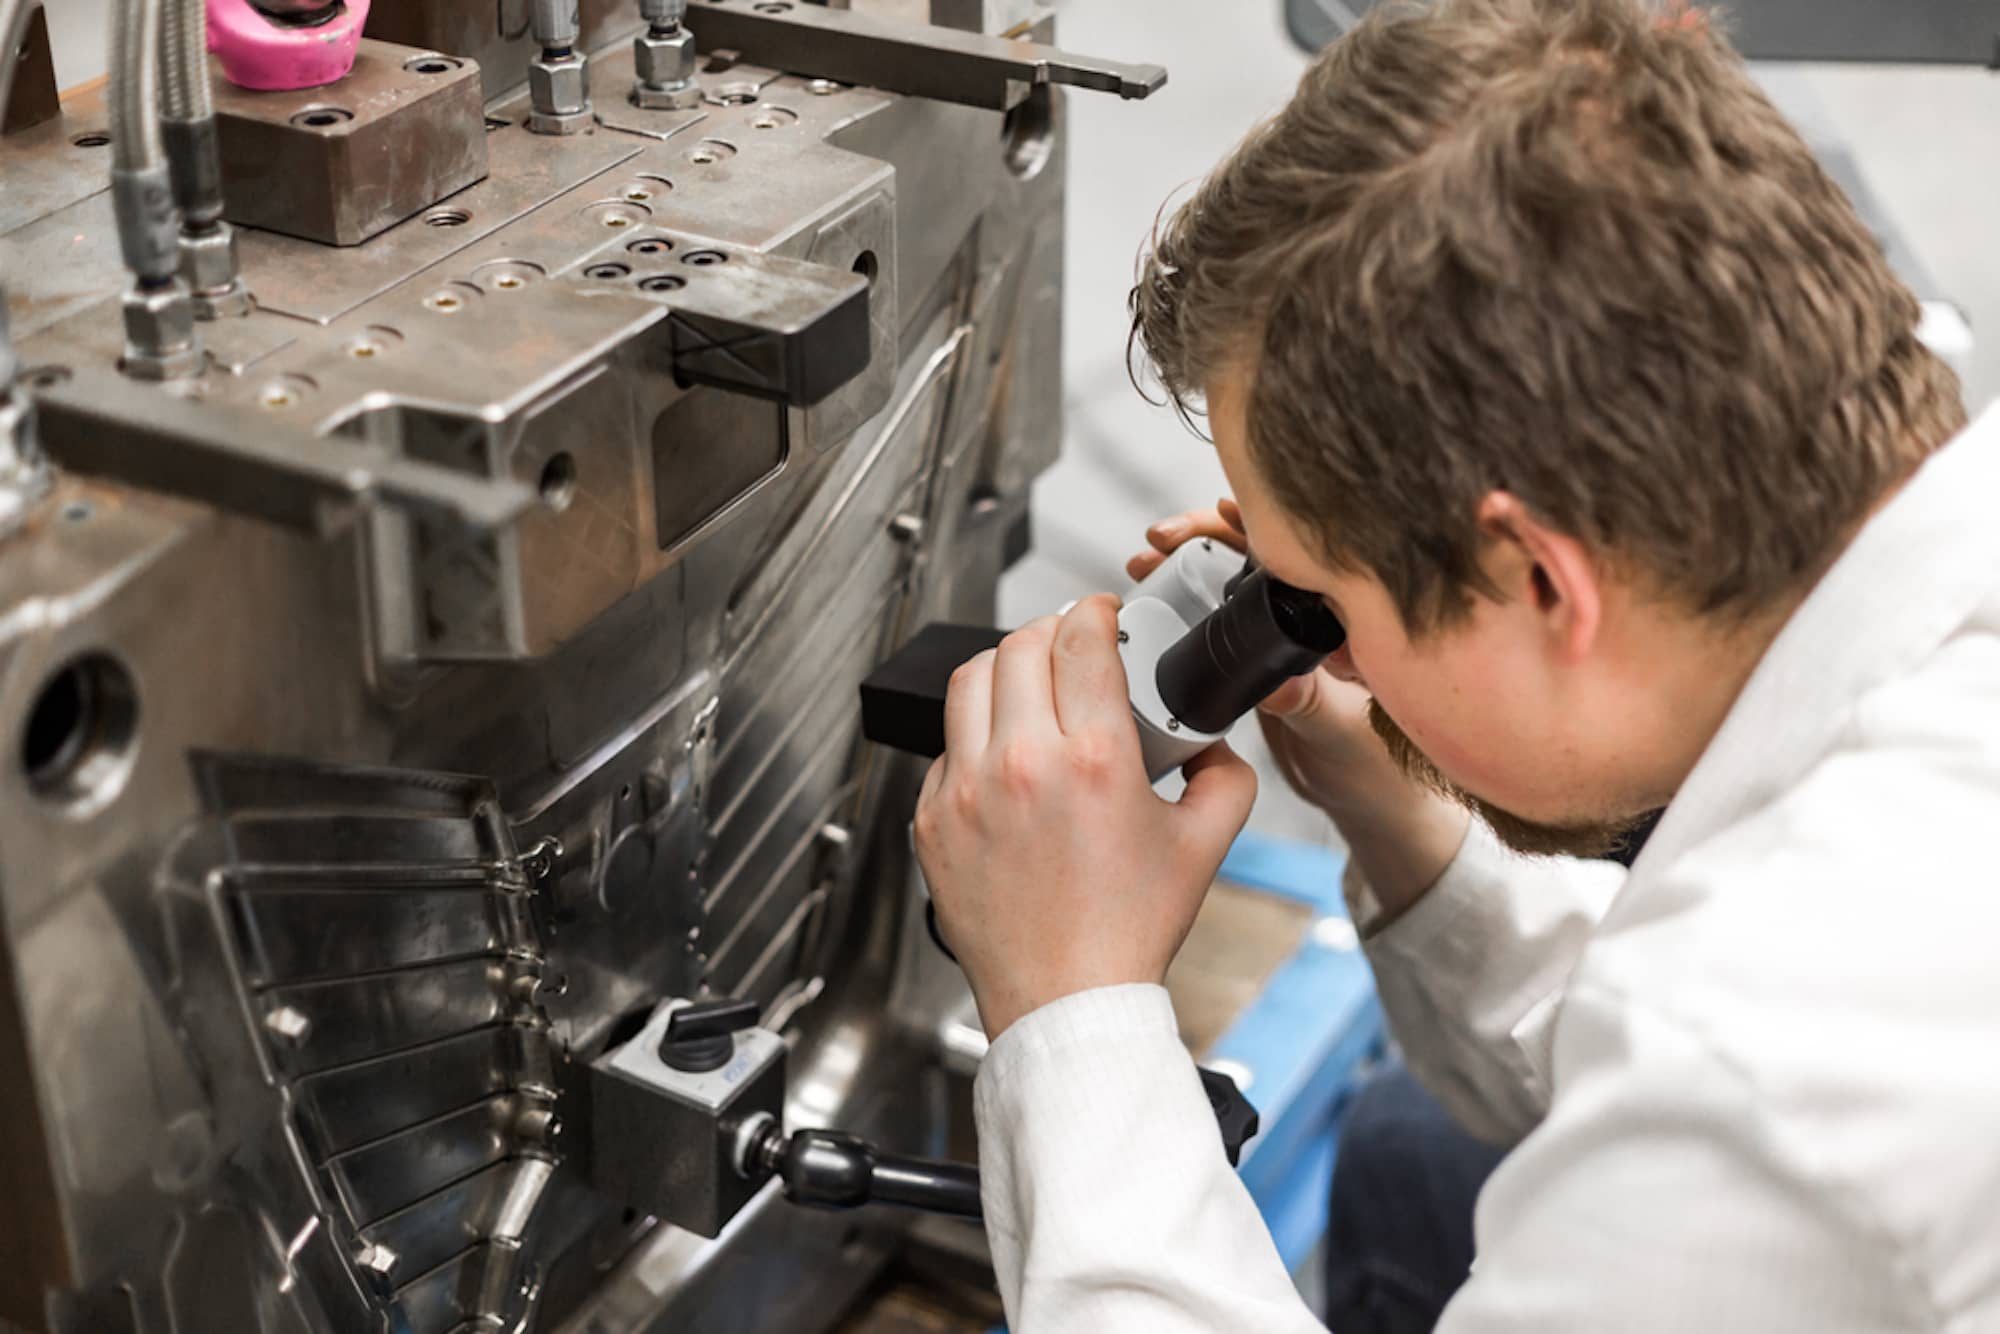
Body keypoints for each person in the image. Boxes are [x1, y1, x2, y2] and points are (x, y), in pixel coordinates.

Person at [909, 0, 2000, 1329]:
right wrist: (1401, 792)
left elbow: (1725, 1083)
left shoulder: (1765, 1073)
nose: (1304, 631)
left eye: (1323, 599)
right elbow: (1657, 1051)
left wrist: (1069, 1000)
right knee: (1419, 1146)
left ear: (1539, 579)